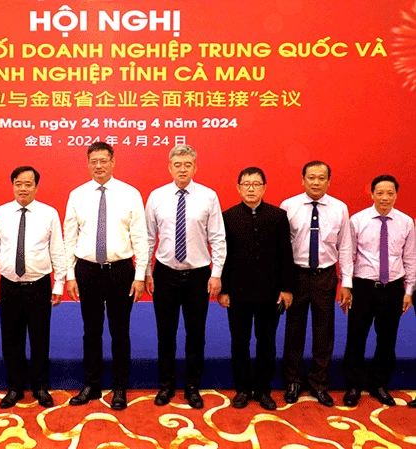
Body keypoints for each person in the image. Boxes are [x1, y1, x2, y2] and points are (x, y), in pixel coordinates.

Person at [64, 141, 148, 411]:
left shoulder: (130, 194)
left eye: (103, 160)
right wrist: (69, 275)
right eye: (94, 161)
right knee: (91, 331)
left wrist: (140, 275)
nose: (98, 166)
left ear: (113, 162)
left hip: (120, 270)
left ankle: (120, 387)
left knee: (120, 331)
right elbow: (69, 238)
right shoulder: (77, 195)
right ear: (88, 164)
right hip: (87, 270)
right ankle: (92, 384)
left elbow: (140, 237)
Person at [145, 144, 226, 409]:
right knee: (165, 333)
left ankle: (192, 386)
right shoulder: (157, 196)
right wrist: (146, 271)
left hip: (198, 275)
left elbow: (218, 237)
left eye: (187, 165)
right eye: (177, 165)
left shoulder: (208, 196)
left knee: (196, 334)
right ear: (170, 167)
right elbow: (148, 238)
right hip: (165, 273)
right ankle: (166, 385)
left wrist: (216, 273)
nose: (182, 169)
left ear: (195, 167)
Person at [0, 166, 67, 409]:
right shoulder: (0, 213)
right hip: (9, 285)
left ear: (36, 187)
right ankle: (15, 387)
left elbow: (57, 250)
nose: (23, 189)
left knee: (40, 338)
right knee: (11, 339)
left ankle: (40, 386)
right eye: (18, 184)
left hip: (39, 285)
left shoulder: (49, 214)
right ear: (12, 186)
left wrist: (59, 283)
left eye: (28, 184)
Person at [218, 167, 294, 410]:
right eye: (246, 184)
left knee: (267, 342)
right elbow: (222, 256)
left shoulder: (278, 216)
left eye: (256, 184)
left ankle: (263, 390)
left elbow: (286, 254)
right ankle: (242, 389)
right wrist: (223, 290)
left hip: (269, 293)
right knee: (239, 342)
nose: (251, 189)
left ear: (264, 187)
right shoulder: (227, 217)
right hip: (237, 293)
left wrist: (286, 288)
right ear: (238, 187)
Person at [281, 160, 353, 407]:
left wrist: (346, 282)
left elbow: (345, 247)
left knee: (324, 331)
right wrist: (283, 282)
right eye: (311, 177)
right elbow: (282, 248)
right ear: (302, 180)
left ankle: (319, 382)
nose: (316, 182)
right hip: (297, 275)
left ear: (329, 182)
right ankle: (292, 380)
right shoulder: (289, 206)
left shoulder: (339, 208)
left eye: (321, 178)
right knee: (294, 329)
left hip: (325, 275)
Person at [343, 175, 415, 407]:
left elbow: (410, 258)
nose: (385, 198)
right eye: (380, 193)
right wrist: (347, 285)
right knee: (356, 336)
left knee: (387, 338)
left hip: (393, 288)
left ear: (396, 195)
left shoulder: (406, 222)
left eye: (390, 193)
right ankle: (354, 385)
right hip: (364, 286)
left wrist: (409, 290)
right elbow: (348, 255)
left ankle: (379, 384)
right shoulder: (358, 220)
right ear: (372, 193)